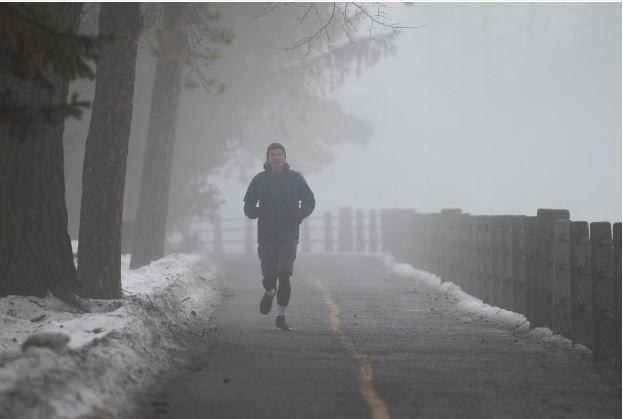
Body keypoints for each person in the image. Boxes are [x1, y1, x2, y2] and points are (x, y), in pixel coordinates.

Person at [243, 142, 315, 331]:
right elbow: (248, 206)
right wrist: (257, 211)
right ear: (268, 158)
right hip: (267, 235)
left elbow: (310, 201)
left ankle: (280, 316)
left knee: (284, 274)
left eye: (280, 154)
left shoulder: (295, 178)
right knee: (269, 276)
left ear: (285, 157)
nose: (277, 157)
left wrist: (300, 213)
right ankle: (269, 291)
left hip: (289, 234)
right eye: (273, 154)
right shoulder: (259, 180)